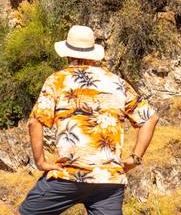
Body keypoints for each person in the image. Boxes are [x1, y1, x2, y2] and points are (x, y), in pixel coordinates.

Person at [17, 25, 159, 215]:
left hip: (68, 176)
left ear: (67, 53)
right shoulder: (117, 82)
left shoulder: (57, 80)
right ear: (93, 54)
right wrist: (134, 159)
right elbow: (150, 117)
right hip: (108, 182)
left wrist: (41, 162)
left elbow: (35, 122)